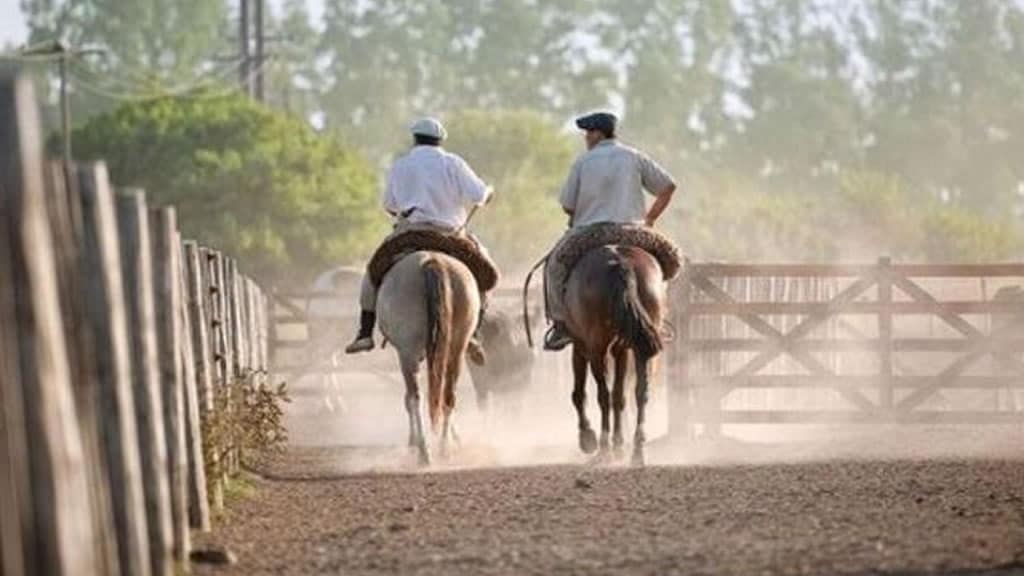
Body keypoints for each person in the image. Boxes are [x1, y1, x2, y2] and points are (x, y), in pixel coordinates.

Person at [345, 117, 493, 354]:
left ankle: (365, 332)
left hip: (410, 232)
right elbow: (478, 195)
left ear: (415, 139)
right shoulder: (454, 163)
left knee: (373, 270)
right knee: (485, 271)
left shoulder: (400, 165)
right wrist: (487, 194)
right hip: (451, 234)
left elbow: (389, 205)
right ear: (441, 140)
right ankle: (473, 332)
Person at [543, 111, 677, 351]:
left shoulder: (584, 161)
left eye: (588, 133)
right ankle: (657, 318)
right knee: (670, 262)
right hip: (632, 231)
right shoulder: (633, 156)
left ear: (598, 133)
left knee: (554, 265)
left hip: (590, 232)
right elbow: (668, 187)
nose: (586, 138)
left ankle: (560, 325)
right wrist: (650, 219)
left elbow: (567, 205)